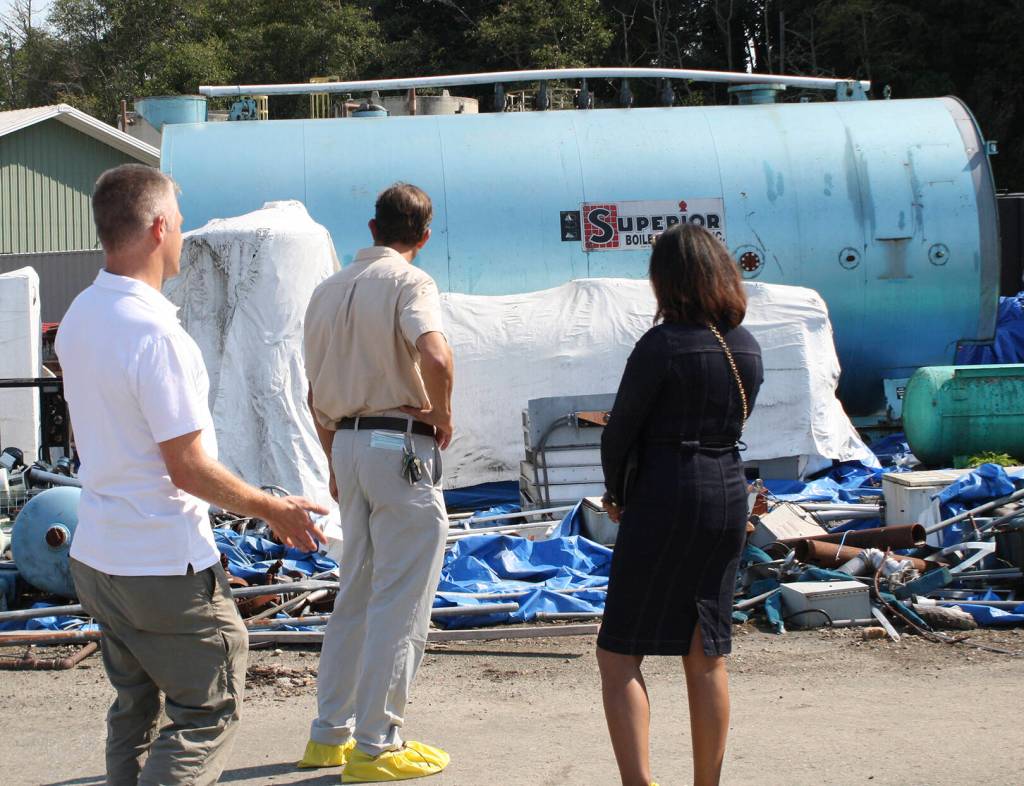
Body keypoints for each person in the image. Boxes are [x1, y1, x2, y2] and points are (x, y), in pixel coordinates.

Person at [56, 164, 328, 786]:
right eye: (178, 224)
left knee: (135, 708)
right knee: (207, 710)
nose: (182, 235)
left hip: (99, 553)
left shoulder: (81, 316)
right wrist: (273, 508)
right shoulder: (157, 336)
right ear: (158, 228)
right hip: (161, 562)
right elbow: (187, 468)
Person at [596, 223, 764, 786]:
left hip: (667, 490)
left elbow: (620, 432)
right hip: (728, 490)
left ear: (666, 279)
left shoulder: (662, 344)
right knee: (706, 652)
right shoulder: (746, 345)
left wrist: (618, 493)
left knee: (619, 652)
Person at [299, 182, 454, 782]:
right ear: (424, 236)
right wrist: (442, 415)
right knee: (402, 597)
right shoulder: (409, 282)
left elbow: (313, 392)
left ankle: (329, 735)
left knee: (356, 593)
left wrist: (333, 459)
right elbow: (435, 357)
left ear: (371, 228)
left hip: (346, 442)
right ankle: (377, 744)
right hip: (398, 444)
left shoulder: (325, 291)